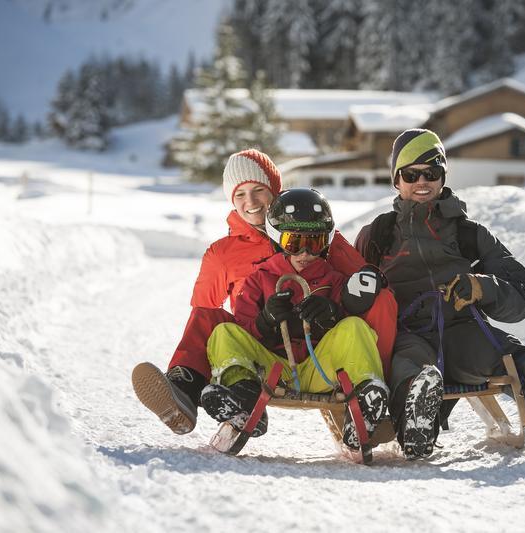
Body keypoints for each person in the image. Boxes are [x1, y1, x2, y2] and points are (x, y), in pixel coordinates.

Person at [355, 128, 525, 460]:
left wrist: (482, 286)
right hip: (406, 332)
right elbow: (350, 288)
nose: (422, 181)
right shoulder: (377, 234)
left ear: (443, 177)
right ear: (397, 180)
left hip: (461, 331)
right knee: (411, 367)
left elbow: (521, 298)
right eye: (411, 174)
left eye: (431, 173)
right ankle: (416, 426)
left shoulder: (469, 234)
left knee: (509, 355)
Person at [132, 150, 396, 436]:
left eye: (259, 190)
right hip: (263, 349)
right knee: (212, 321)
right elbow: (204, 315)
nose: (251, 202)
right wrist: (262, 322)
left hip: (319, 350)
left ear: (275, 191)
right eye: (240, 195)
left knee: (376, 304)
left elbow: (363, 284)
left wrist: (335, 311)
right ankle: (188, 390)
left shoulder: (314, 232)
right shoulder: (223, 254)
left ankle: (372, 393)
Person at [201, 189, 389, 449]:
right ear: (279, 240)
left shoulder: (333, 280)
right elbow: (243, 327)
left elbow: (349, 335)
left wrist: (332, 316)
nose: (303, 252)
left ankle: (367, 398)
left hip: (320, 369)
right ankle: (242, 396)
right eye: (293, 242)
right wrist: (265, 321)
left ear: (325, 242)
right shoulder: (260, 279)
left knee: (356, 327)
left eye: (313, 243)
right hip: (271, 371)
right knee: (224, 332)